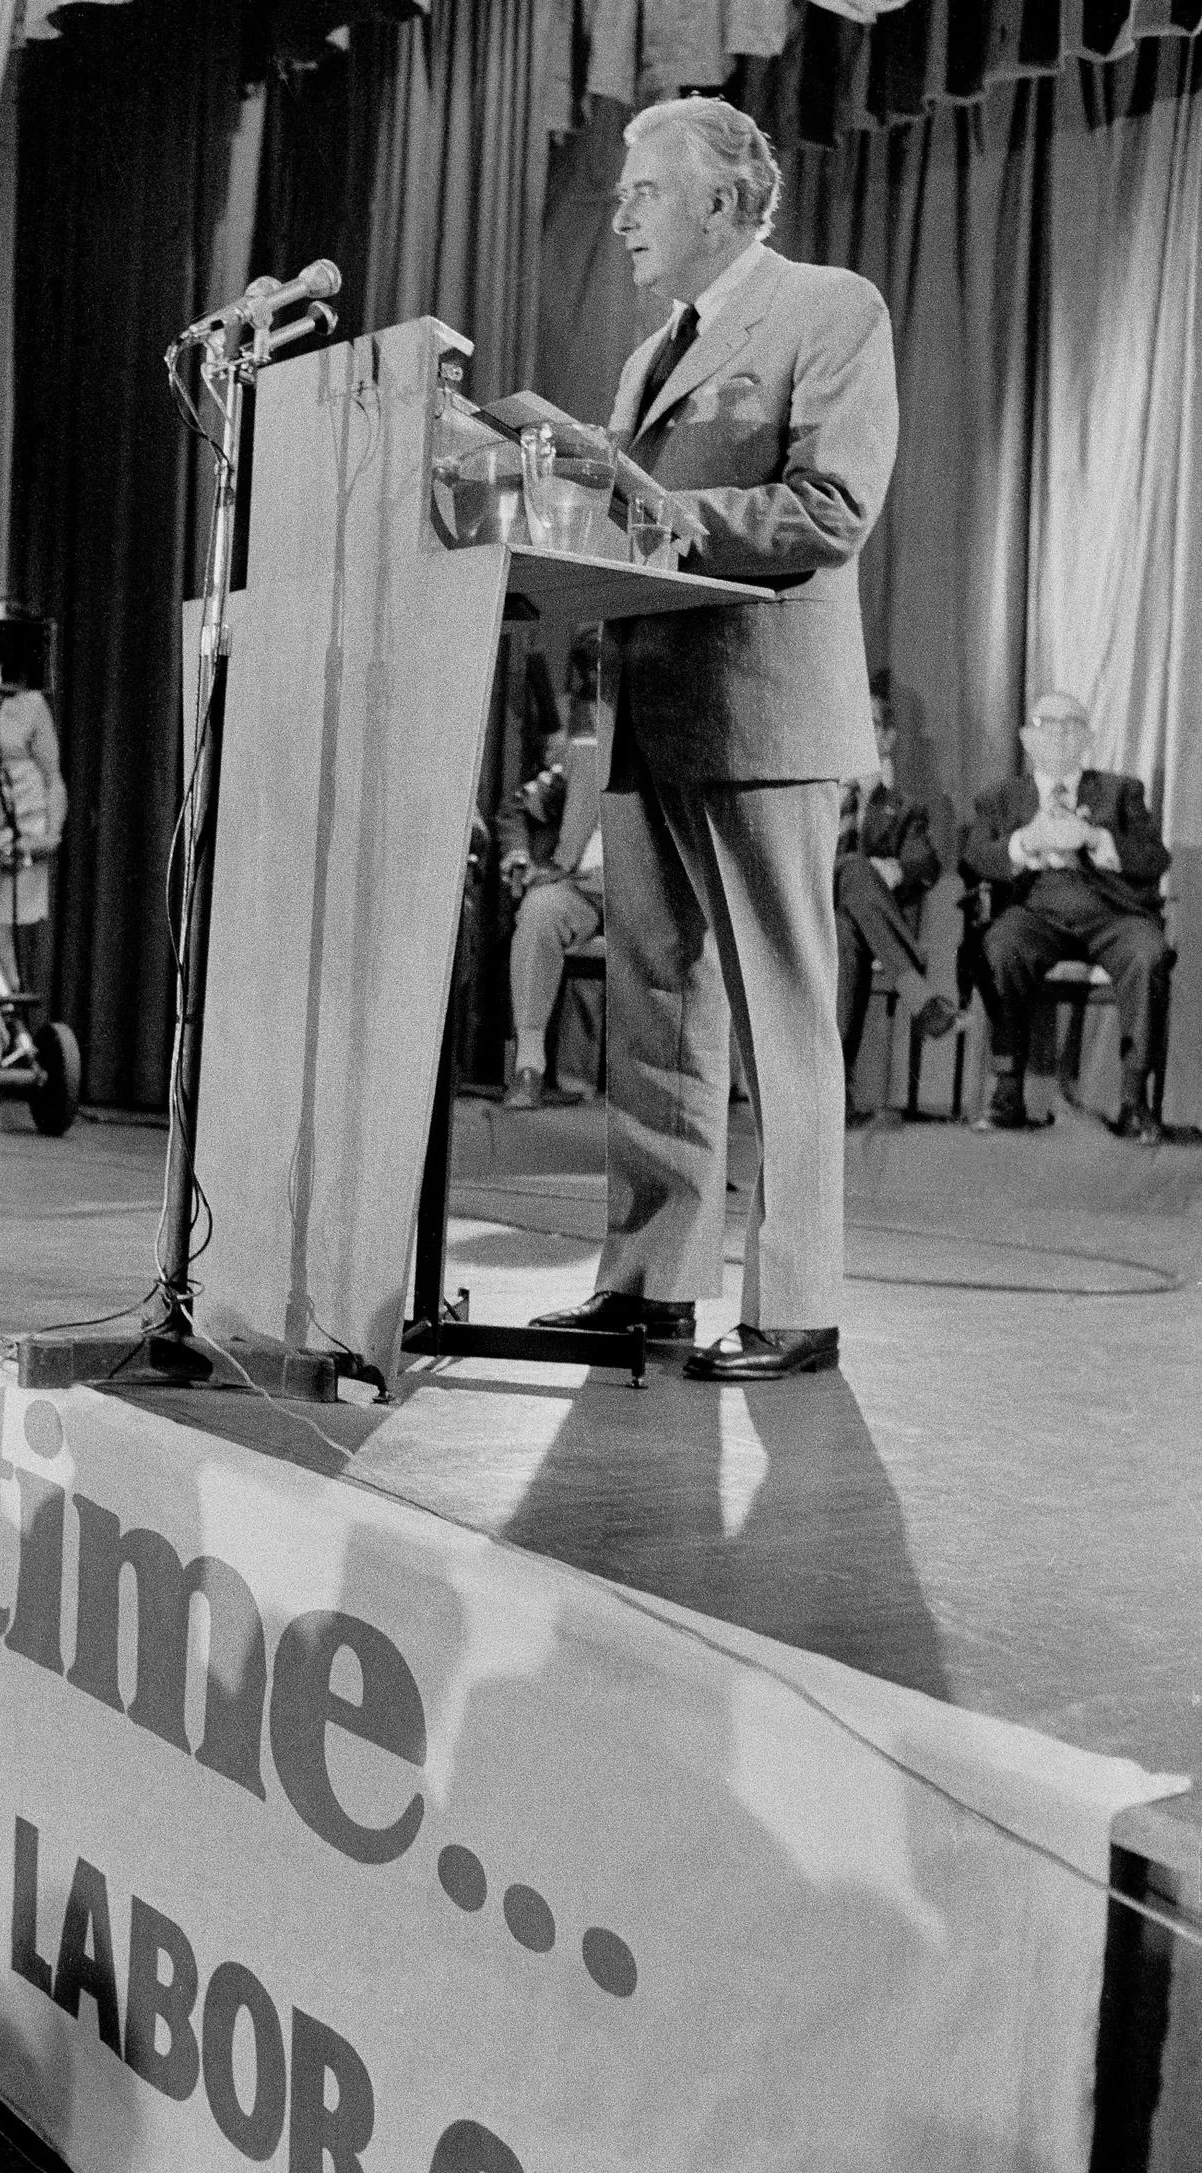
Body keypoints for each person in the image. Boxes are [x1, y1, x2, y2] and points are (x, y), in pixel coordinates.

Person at [532, 94, 898, 1382]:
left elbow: (831, 507)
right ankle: (648, 1284)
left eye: (644, 191)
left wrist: (665, 509)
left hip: (763, 711)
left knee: (779, 1019)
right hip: (651, 707)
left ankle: (797, 1304)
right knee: (655, 1015)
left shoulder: (829, 307)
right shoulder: (645, 360)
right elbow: (641, 520)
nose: (621, 211)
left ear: (726, 205)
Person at [961, 692, 1170, 1142]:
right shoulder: (1000, 797)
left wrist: (1096, 838)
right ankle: (1007, 1093)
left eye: (1072, 725)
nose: (1059, 733)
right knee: (1000, 947)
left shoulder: (1121, 790)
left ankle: (1135, 1101)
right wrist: (1025, 842)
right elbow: (976, 855)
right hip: (1034, 911)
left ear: (1088, 738)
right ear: (1026, 737)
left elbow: (1156, 858)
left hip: (1111, 913)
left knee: (1148, 953)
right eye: (1047, 723)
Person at [836, 671, 956, 1105]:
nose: (852, 730)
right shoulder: (810, 796)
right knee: (853, 869)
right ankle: (917, 991)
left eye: (866, 723)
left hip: (850, 922)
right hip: (799, 907)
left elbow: (925, 861)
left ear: (887, 739)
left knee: (846, 929)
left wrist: (896, 870)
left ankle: (834, 1090)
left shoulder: (902, 809)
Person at [499, 634, 604, 1108]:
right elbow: (520, 807)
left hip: (646, 889)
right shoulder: (582, 746)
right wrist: (519, 855)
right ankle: (529, 1066)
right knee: (540, 910)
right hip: (581, 887)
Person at [0, 689, 68, 991]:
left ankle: (5, 1032)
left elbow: (53, 779)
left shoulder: (30, 705)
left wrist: (51, 836)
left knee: (9, 960)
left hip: (22, 841)